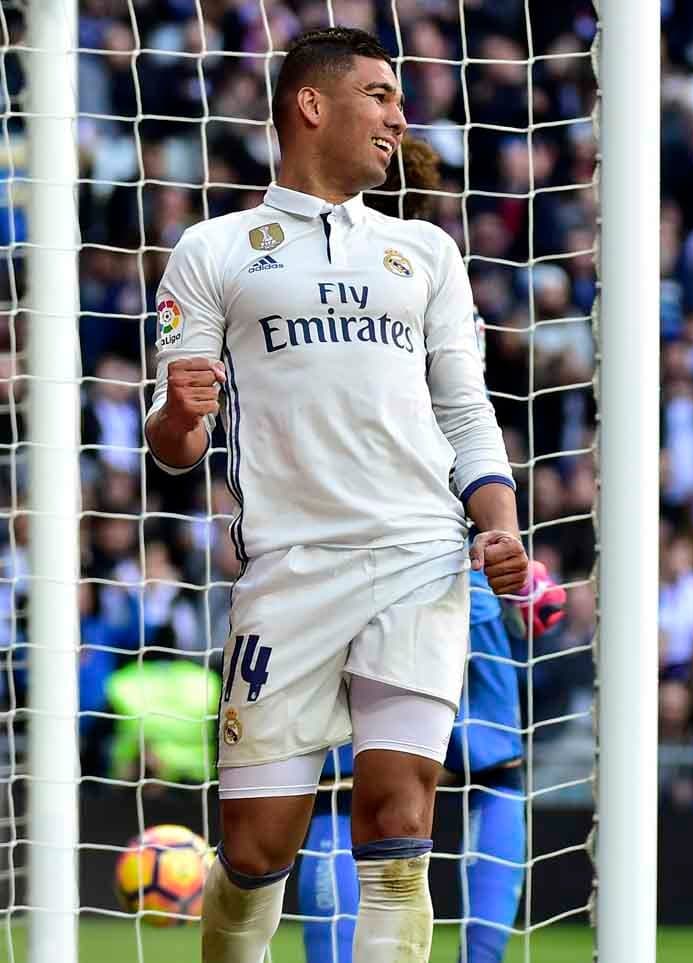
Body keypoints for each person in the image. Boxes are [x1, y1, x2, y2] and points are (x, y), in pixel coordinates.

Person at [144, 27, 528, 963]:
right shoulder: (214, 250)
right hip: (291, 569)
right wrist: (177, 413)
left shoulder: (425, 252)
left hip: (418, 557)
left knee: (399, 830)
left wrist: (500, 522)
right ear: (311, 105)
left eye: (398, 98)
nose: (400, 114)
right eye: (381, 94)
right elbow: (173, 448)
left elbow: (465, 409)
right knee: (254, 850)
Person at [296, 136, 566, 963]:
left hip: (329, 562)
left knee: (341, 790)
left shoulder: (305, 292)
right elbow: (467, 422)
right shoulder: (443, 289)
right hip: (456, 559)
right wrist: (503, 533)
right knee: (493, 774)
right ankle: (480, 956)